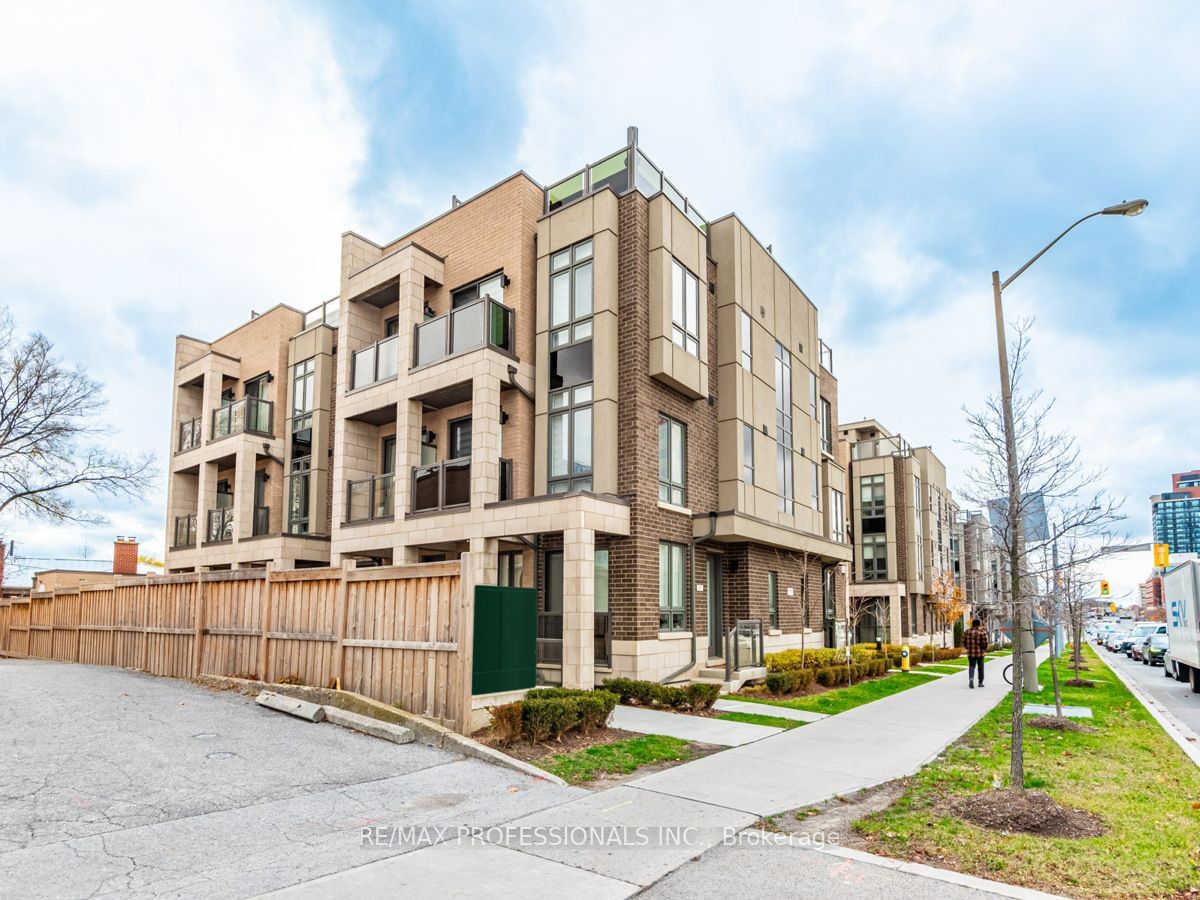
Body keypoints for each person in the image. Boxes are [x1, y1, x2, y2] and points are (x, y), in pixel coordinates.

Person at [964, 618, 989, 689]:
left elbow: (963, 641)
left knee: (971, 666)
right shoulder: (982, 632)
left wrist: (968, 648)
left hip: (971, 653)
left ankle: (971, 679)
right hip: (980, 653)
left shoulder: (967, 632)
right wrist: (984, 650)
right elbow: (986, 643)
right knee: (981, 668)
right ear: (979, 624)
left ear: (972, 624)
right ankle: (980, 683)